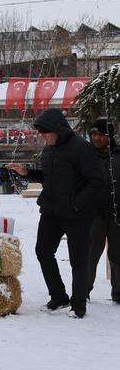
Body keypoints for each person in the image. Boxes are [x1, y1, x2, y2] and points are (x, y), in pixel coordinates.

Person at [7, 108, 104, 318]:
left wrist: (77, 203)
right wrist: (27, 172)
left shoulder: (82, 148)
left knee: (78, 260)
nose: (44, 137)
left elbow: (97, 181)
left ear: (58, 130)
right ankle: (59, 296)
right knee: (42, 251)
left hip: (77, 214)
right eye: (42, 133)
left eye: (46, 133)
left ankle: (78, 306)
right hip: (51, 210)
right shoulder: (49, 149)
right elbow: (50, 177)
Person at [86, 119, 120, 304]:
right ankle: (83, 291)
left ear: (110, 137)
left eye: (101, 134)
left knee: (117, 255)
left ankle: (119, 293)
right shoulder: (86, 156)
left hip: (117, 215)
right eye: (94, 134)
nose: (96, 138)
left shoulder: (118, 155)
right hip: (94, 215)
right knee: (90, 254)